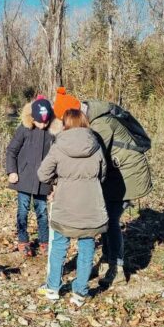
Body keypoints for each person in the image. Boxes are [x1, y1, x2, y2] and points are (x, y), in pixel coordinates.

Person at [36, 109, 107, 306]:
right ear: (84, 122)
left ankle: (52, 288)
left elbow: (43, 174)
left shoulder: (59, 145)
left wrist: (59, 179)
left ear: (65, 123)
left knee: (59, 245)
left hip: (65, 204)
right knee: (86, 247)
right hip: (91, 204)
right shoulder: (96, 144)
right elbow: (103, 174)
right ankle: (80, 293)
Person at [82, 100, 153, 286]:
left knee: (111, 220)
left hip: (128, 177)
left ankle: (116, 267)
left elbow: (92, 155)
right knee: (106, 217)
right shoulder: (96, 118)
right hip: (117, 175)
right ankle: (107, 261)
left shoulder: (101, 124)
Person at [5, 96, 61, 256]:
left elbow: (57, 159)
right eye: (39, 122)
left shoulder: (53, 132)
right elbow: (11, 151)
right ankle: (23, 240)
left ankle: (44, 241)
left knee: (42, 211)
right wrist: (12, 171)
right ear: (32, 118)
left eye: (46, 122)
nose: (43, 125)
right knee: (22, 211)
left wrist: (55, 183)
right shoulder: (24, 129)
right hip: (23, 177)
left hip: (44, 181)